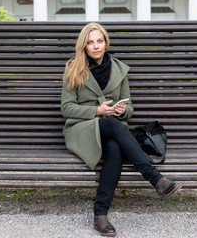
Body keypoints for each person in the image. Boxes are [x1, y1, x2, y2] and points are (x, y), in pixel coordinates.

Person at [61, 22, 182, 237]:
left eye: (99, 41)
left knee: (115, 148)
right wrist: (97, 111)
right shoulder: (74, 68)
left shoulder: (120, 69)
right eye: (90, 42)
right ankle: (155, 178)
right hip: (82, 129)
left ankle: (100, 216)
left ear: (106, 43)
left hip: (112, 129)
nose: (95, 46)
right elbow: (67, 108)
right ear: (84, 46)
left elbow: (130, 107)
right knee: (108, 123)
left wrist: (121, 111)